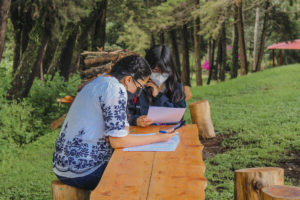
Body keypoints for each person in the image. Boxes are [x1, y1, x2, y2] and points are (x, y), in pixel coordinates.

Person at [52, 55, 176, 190]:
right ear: (128, 79)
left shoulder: (98, 82)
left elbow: (122, 131)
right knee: (145, 175)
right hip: (84, 170)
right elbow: (118, 141)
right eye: (139, 86)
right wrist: (158, 137)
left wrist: (118, 135)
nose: (138, 92)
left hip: (62, 166)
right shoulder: (115, 89)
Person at [128, 45, 186, 127]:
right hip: (142, 135)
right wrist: (136, 120)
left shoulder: (176, 87)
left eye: (164, 71)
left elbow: (179, 118)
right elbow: (126, 114)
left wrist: (158, 96)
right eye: (155, 70)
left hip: (169, 135)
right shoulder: (137, 86)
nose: (160, 75)